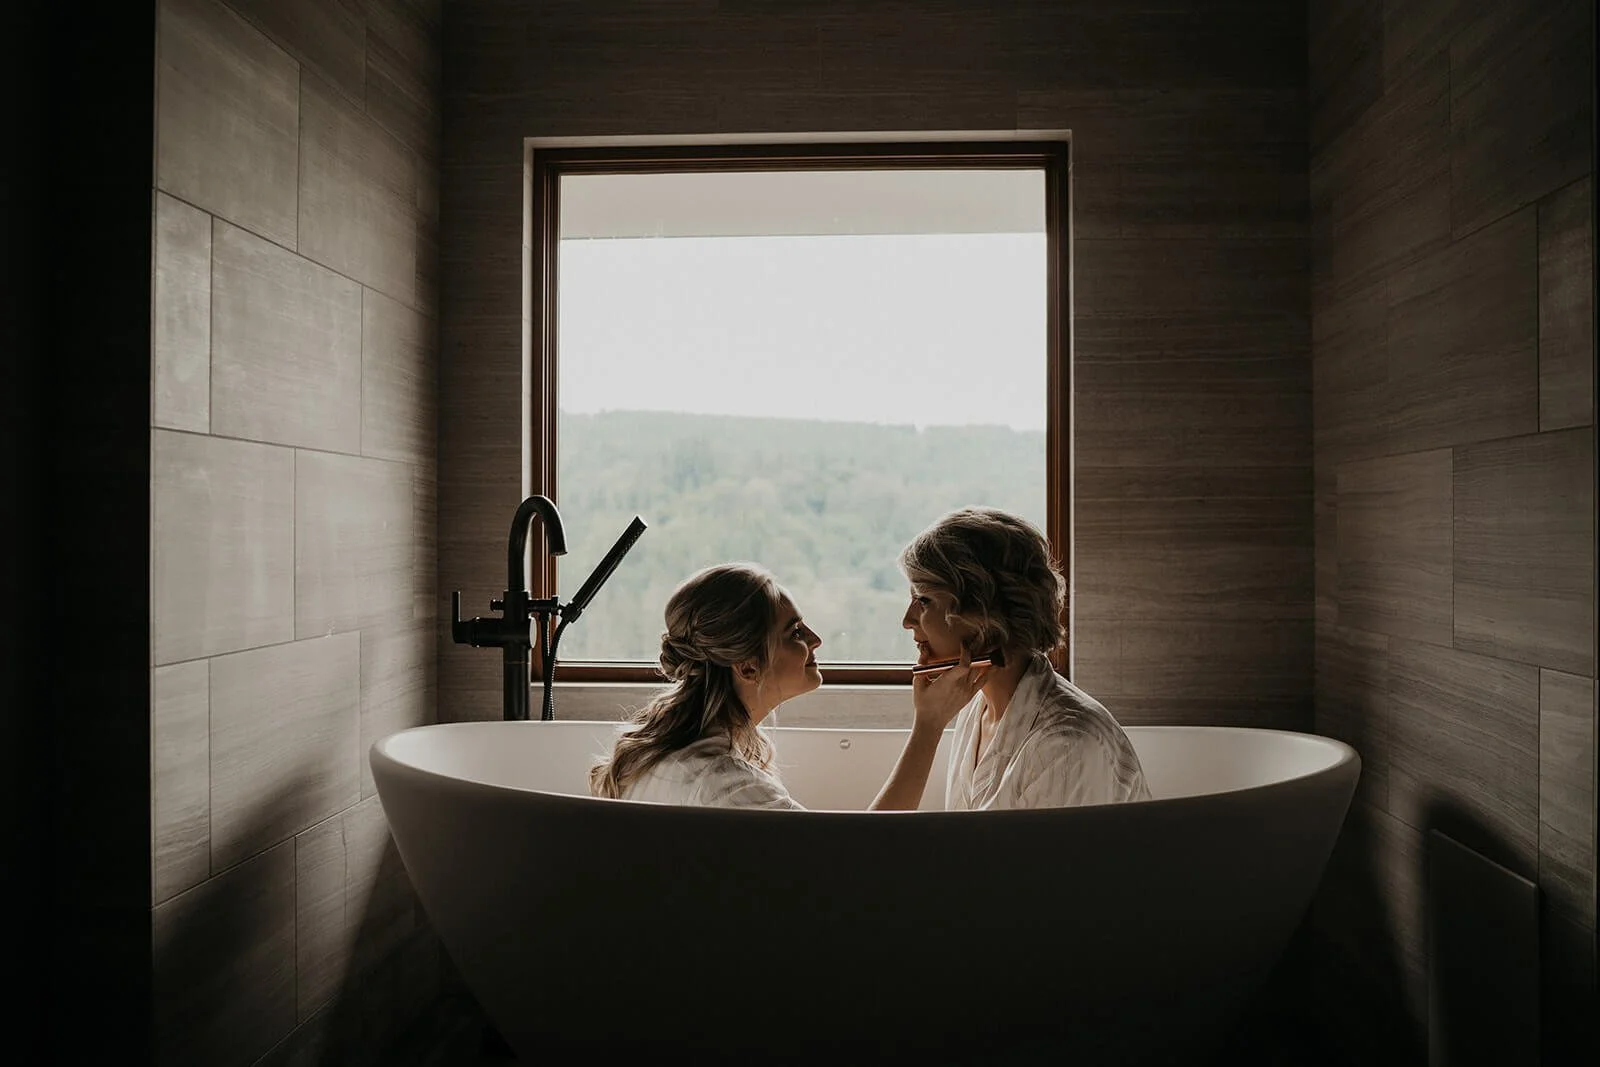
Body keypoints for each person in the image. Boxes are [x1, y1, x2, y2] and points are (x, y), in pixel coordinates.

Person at [588, 562, 980, 810]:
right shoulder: (733, 792)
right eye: (794, 632)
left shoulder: (658, 756)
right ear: (747, 667)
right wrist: (928, 726)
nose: (815, 639)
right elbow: (860, 863)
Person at [899, 506, 1151, 810]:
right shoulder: (976, 710)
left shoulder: (1065, 744)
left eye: (923, 600)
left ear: (983, 612)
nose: (908, 620)